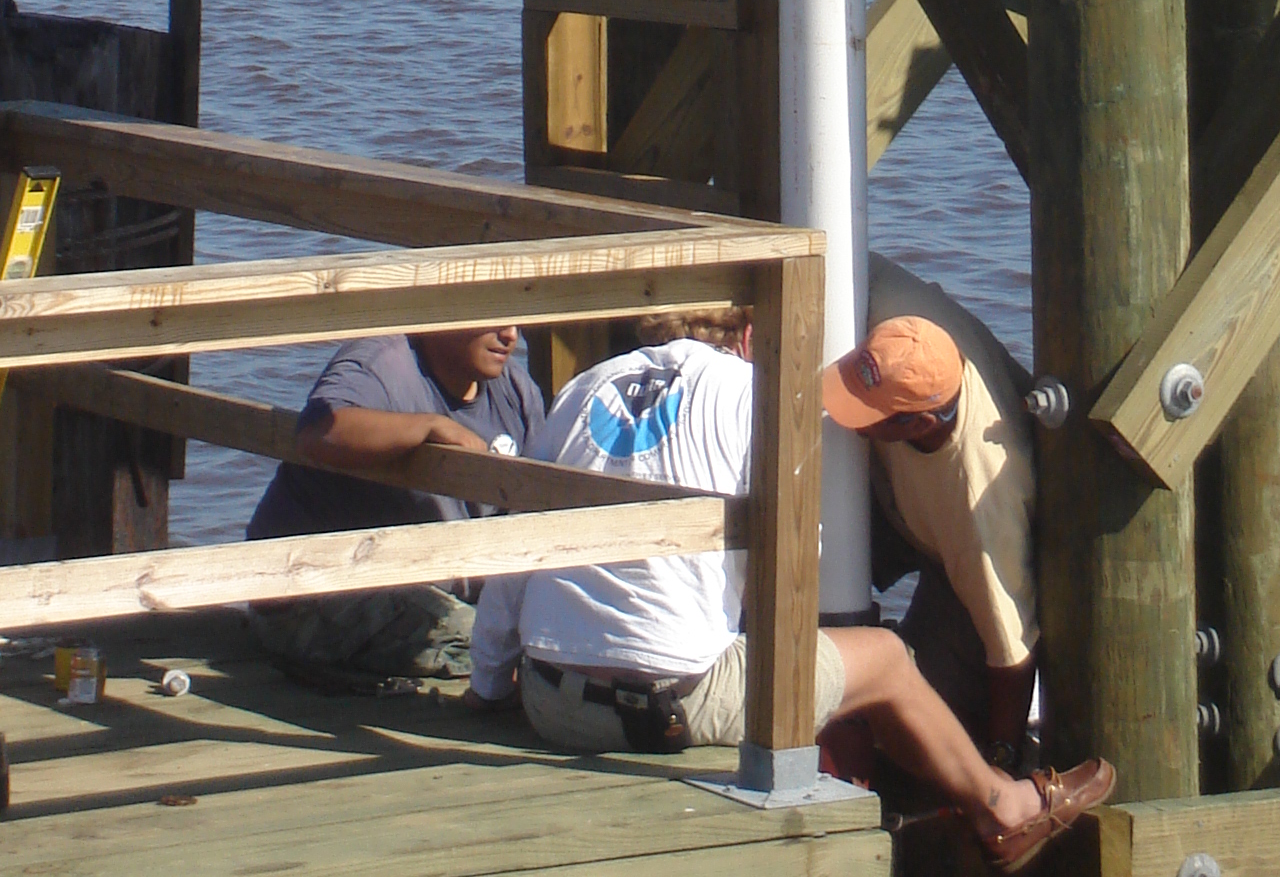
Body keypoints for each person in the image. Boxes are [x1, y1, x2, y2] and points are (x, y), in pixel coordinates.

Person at [468, 310, 1110, 869]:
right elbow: (802, 574)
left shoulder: (584, 387)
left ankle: (921, 782)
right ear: (751, 337)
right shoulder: (755, 398)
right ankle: (1002, 805)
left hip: (551, 703)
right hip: (665, 708)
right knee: (885, 661)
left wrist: (489, 685)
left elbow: (517, 548)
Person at [824, 256, 1039, 762]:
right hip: (901, 498)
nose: (845, 414)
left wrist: (1001, 755)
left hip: (968, 556)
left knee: (919, 729)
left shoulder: (976, 502)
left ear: (920, 424)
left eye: (868, 413)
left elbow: (1011, 650)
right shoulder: (891, 312)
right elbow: (849, 257)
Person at [244, 323, 544, 686]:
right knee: (487, 643)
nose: (510, 335)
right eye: (493, 318)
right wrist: (426, 427)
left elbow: (535, 504)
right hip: (316, 593)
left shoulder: (515, 390)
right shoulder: (382, 364)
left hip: (438, 590)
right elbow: (318, 432)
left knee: (544, 627)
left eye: (515, 322)